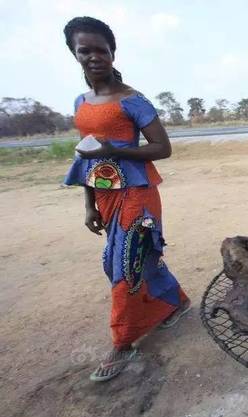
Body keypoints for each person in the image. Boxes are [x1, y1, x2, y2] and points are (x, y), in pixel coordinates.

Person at [62, 17, 191, 382]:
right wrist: (89, 204)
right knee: (128, 258)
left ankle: (123, 342)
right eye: (84, 50)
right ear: (74, 54)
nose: (94, 57)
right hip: (105, 197)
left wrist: (115, 151)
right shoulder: (81, 102)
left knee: (125, 265)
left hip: (137, 194)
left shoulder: (133, 100)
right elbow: (84, 155)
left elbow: (162, 147)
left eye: (101, 49)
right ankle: (175, 303)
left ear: (113, 53)